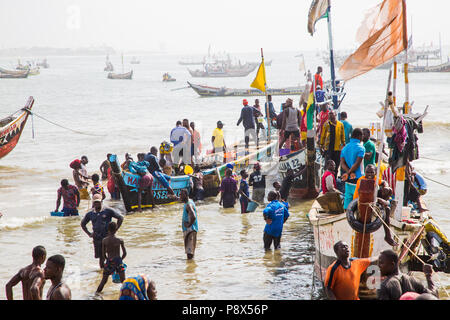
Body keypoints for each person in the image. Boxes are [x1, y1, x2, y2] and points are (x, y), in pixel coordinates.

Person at [352, 164, 397, 246]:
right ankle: (383, 204)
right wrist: (379, 200)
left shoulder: (376, 179)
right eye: (367, 172)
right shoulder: (361, 180)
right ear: (364, 172)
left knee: (388, 195)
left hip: (373, 202)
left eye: (371, 172)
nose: (369, 174)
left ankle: (388, 236)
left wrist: (386, 186)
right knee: (386, 208)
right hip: (361, 203)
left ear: (375, 173)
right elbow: (363, 197)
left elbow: (383, 182)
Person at [81, 194, 124, 268]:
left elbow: (120, 218)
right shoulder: (90, 213)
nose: (97, 204)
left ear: (101, 202)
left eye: (98, 202)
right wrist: (89, 234)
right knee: (101, 257)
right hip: (97, 238)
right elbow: (83, 224)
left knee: (111, 255)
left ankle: (109, 270)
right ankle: (102, 271)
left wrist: (115, 230)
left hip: (107, 237)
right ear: (93, 203)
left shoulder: (108, 211)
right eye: (95, 202)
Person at [96, 222, 127, 293]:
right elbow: (124, 253)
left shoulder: (104, 240)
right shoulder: (120, 240)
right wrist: (120, 259)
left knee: (103, 281)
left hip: (109, 261)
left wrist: (107, 260)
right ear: (116, 230)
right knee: (123, 281)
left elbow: (103, 254)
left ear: (108, 229)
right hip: (118, 261)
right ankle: (127, 295)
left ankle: (96, 295)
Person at [320, 111, 345, 175]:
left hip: (337, 149)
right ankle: (327, 177)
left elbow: (342, 135)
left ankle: (335, 178)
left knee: (336, 165)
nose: (330, 116)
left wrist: (343, 144)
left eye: (332, 114)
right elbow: (323, 136)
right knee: (328, 165)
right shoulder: (326, 124)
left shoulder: (340, 124)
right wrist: (321, 146)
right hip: (328, 149)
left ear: (335, 115)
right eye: (329, 114)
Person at [180, 189, 198, 259]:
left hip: (190, 231)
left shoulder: (188, 205)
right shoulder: (189, 201)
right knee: (190, 253)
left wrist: (189, 225)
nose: (180, 196)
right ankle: (191, 268)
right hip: (190, 230)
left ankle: (190, 269)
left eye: (181, 195)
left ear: (186, 196)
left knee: (189, 254)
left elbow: (193, 216)